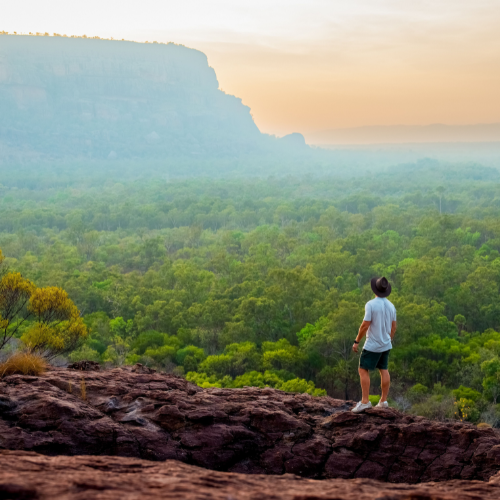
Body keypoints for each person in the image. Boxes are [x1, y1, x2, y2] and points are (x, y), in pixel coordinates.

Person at [351, 276, 397, 413]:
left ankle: (365, 401)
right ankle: (383, 401)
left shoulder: (370, 304)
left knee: (363, 369)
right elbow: (394, 327)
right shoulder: (391, 306)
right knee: (383, 369)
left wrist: (356, 341)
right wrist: (388, 339)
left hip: (372, 344)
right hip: (386, 344)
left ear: (375, 290)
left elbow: (365, 325)